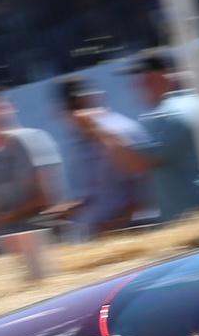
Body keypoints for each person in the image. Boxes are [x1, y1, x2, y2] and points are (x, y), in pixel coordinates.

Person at [123, 49, 199, 223]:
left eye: (143, 78)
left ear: (159, 77)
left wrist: (99, 127)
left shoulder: (169, 113)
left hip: (193, 217)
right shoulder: (194, 102)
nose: (137, 85)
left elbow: (139, 163)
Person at [0, 86, 64, 243]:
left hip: (41, 232)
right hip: (3, 240)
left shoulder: (32, 139)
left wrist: (1, 221)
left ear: (11, 107)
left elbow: (46, 197)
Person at [55, 76, 148, 236]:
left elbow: (147, 190)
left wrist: (114, 225)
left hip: (133, 232)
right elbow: (99, 194)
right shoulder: (81, 141)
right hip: (100, 234)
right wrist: (69, 211)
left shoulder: (121, 131)